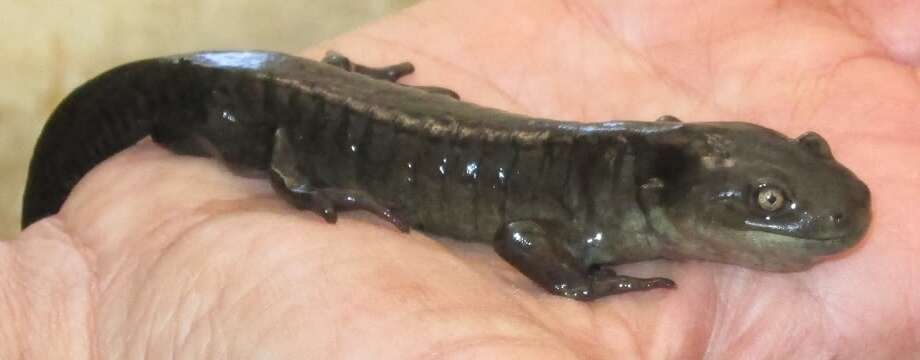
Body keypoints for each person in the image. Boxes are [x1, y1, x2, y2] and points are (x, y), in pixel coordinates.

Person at [3, 0, 919, 357]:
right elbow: (521, 236)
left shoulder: (620, 181)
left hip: (262, 79)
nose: (787, 215)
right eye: (770, 205)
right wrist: (578, 281)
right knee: (274, 141)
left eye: (780, 195)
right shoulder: (591, 208)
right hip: (252, 99)